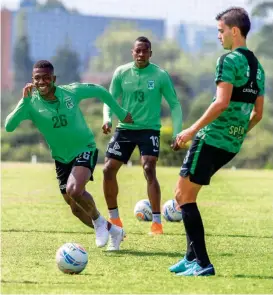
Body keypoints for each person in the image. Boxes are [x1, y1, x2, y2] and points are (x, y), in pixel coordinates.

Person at [169, 7, 265, 276]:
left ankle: (202, 263)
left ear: (234, 31)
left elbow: (221, 103)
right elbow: (258, 114)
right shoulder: (258, 68)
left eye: (220, 31)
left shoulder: (229, 60)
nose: (218, 36)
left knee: (182, 197)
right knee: (186, 195)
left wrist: (190, 131)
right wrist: (237, 132)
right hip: (231, 145)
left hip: (210, 138)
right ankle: (190, 258)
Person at [5, 60, 133, 251]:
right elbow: (9, 125)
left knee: (74, 190)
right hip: (61, 158)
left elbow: (100, 91)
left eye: (46, 78)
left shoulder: (71, 92)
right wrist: (23, 101)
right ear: (32, 80)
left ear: (54, 79)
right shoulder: (30, 103)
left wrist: (121, 113)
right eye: (37, 78)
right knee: (74, 208)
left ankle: (99, 223)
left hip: (85, 148)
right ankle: (113, 230)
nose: (42, 82)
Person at [102, 36, 183, 245]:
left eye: (144, 51)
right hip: (125, 129)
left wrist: (177, 133)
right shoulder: (121, 72)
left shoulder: (160, 75)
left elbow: (174, 105)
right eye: (137, 51)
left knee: (148, 168)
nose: (140, 55)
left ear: (150, 53)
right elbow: (109, 99)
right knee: (108, 169)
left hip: (149, 130)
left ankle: (156, 223)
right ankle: (115, 220)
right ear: (132, 52)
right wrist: (107, 119)